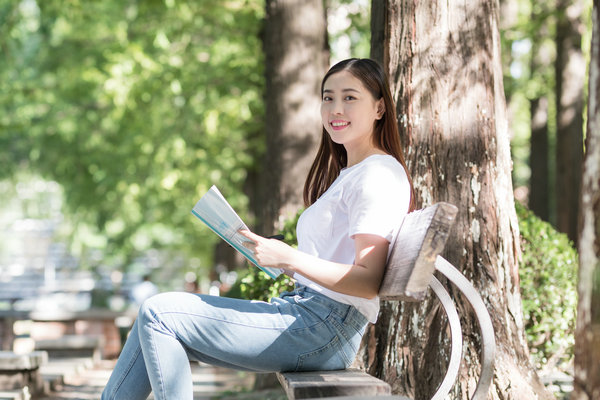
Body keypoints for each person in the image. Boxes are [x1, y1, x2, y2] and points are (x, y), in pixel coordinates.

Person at [101, 58, 414, 400]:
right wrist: (278, 259)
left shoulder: (377, 175)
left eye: (350, 97)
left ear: (380, 107)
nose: (336, 108)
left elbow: (367, 281)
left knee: (159, 313)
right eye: (328, 97)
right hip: (307, 317)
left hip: (322, 327)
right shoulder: (351, 174)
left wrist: (291, 259)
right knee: (152, 321)